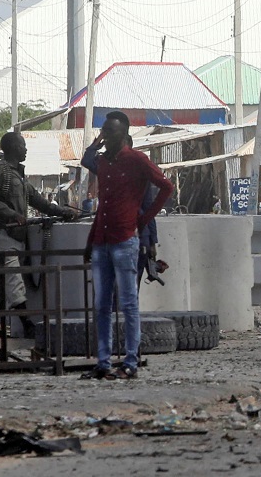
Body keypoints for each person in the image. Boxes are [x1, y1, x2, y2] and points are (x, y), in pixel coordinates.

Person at [82, 111, 175, 379]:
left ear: (122, 134)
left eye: (109, 132)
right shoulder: (104, 164)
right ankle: (103, 361)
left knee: (128, 303)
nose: (105, 136)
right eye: (103, 131)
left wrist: (143, 220)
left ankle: (130, 361)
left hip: (125, 240)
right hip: (102, 240)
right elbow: (101, 205)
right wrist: (91, 242)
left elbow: (166, 187)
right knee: (101, 304)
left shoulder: (137, 160)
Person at [0, 132, 79, 338]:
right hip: (2, 234)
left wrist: (63, 212)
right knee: (13, 280)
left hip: (14, 236)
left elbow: (38, 202)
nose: (25, 149)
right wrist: (13, 214)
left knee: (0, 282)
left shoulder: (18, 176)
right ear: (14, 147)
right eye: (23, 145)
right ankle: (27, 324)